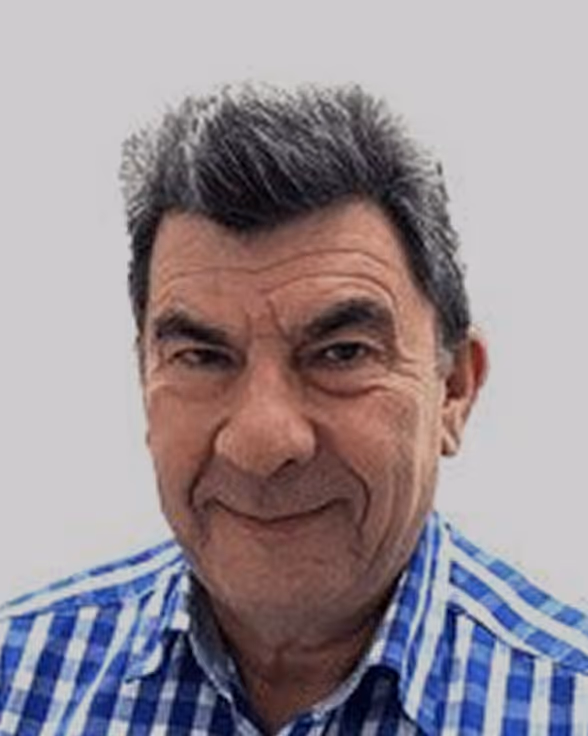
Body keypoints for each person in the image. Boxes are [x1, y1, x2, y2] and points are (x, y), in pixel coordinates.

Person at [1, 82, 587, 735]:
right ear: (145, 382)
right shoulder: (18, 684)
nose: (263, 442)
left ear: (454, 390)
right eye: (202, 357)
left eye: (340, 353)